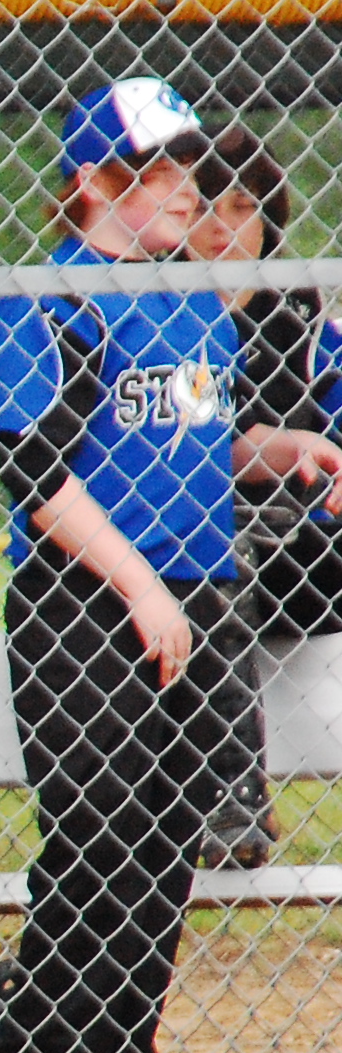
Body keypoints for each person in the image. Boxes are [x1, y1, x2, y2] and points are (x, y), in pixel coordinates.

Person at [0, 80, 342, 1053]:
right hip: (86, 602)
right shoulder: (54, 301)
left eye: (189, 165)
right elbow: (36, 475)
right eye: (160, 169)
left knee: (164, 843)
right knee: (99, 830)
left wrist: (288, 448)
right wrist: (138, 587)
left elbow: (202, 441)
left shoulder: (193, 298)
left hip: (199, 595)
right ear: (92, 182)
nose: (189, 188)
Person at [183, 125, 342, 866]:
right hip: (207, 548)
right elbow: (196, 447)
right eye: (204, 206)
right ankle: (233, 796)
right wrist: (281, 448)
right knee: (223, 549)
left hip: (305, 543)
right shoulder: (161, 312)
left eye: (244, 207)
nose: (223, 226)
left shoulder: (298, 311)